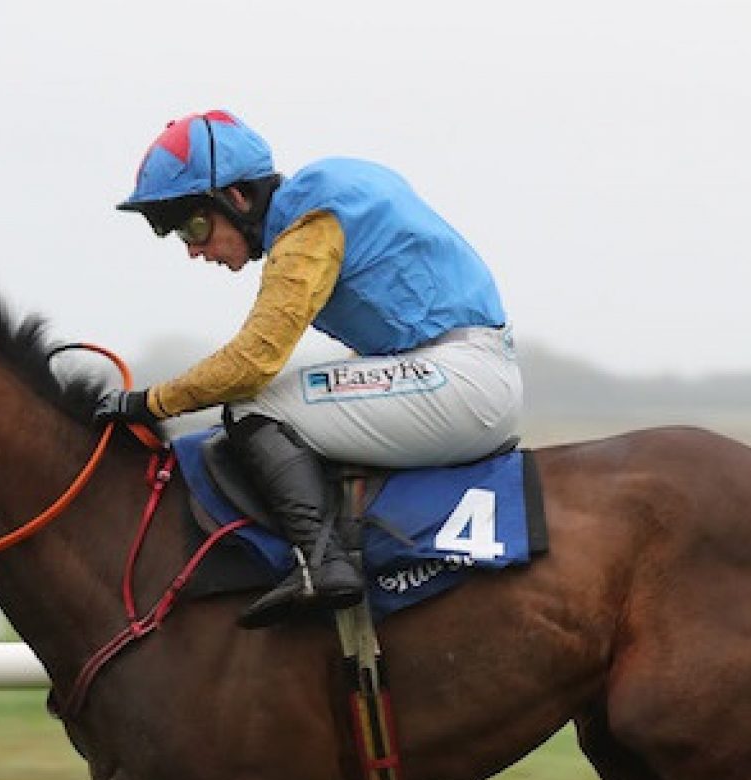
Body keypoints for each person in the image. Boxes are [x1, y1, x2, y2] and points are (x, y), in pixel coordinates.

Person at [104, 109, 522, 627]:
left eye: (194, 224)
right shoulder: (327, 194)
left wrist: (148, 402)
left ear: (238, 197)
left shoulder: (309, 223)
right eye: (176, 236)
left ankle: (321, 566)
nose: (193, 250)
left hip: (462, 379)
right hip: (463, 370)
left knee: (254, 403)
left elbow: (252, 363)